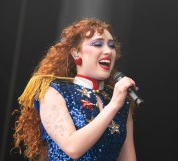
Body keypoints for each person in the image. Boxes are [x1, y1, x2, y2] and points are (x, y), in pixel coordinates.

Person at [13, 17, 137, 161]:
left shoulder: (120, 101)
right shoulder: (54, 91)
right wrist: (114, 105)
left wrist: (117, 103)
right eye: (98, 44)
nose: (108, 51)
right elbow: (73, 148)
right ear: (76, 53)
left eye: (111, 46)